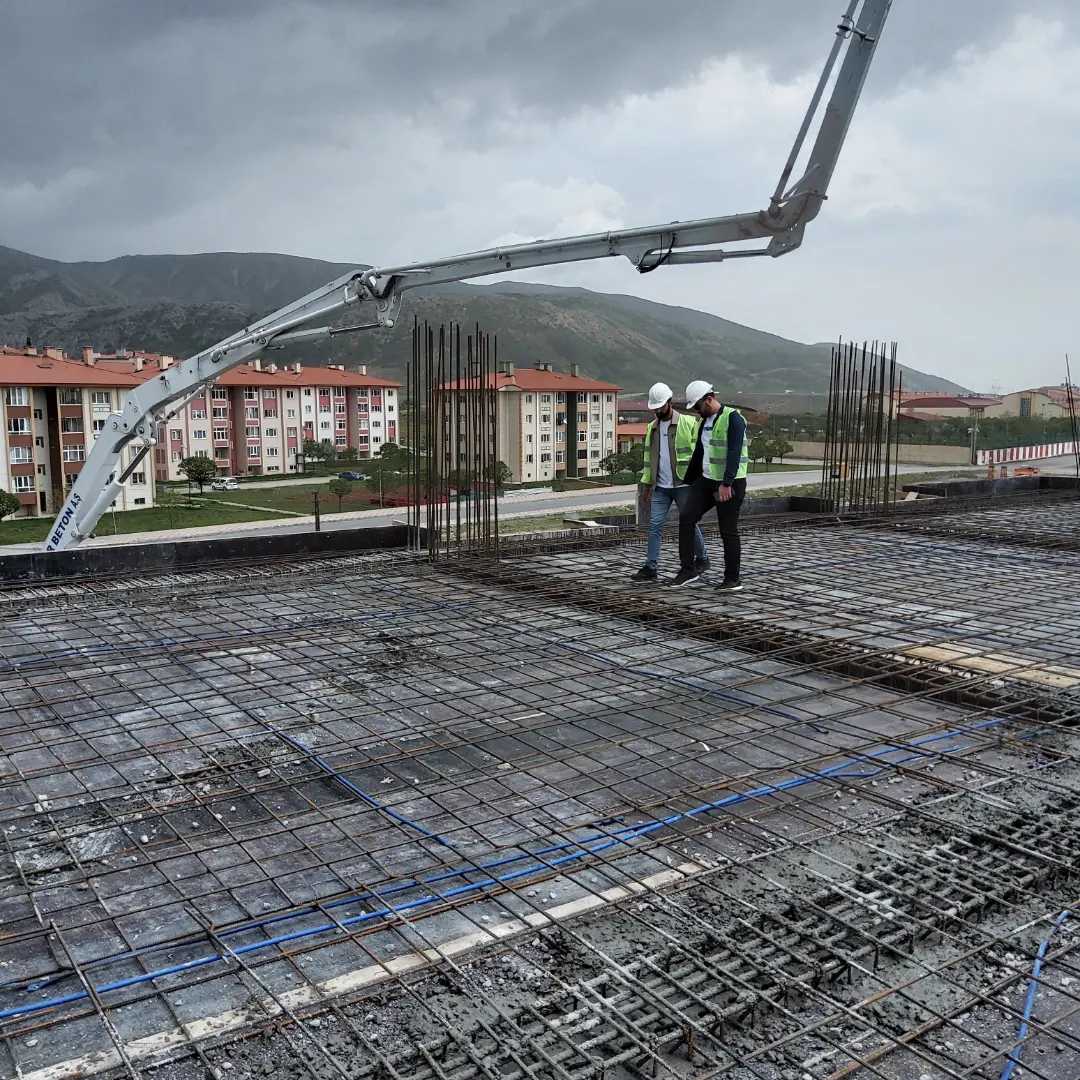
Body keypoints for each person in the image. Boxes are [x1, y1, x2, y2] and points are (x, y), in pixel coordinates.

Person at [668, 380, 748, 592]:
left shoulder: (734, 419)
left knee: (727, 530)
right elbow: (700, 453)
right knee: (686, 518)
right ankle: (688, 570)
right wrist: (688, 481)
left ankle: (732, 579)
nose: (696, 411)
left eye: (697, 407)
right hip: (706, 481)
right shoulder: (705, 422)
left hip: (730, 484)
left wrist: (726, 483)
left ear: (709, 399)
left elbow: (734, 452)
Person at [630, 382, 708, 583]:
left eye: (660, 406)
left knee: (690, 524)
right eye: (654, 407)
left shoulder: (688, 423)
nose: (657, 410)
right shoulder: (652, 428)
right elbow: (650, 459)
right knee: (655, 525)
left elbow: (699, 454)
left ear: (669, 403)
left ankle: (703, 558)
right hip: (661, 487)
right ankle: (651, 567)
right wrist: (647, 485)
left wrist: (698, 482)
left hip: (683, 485)